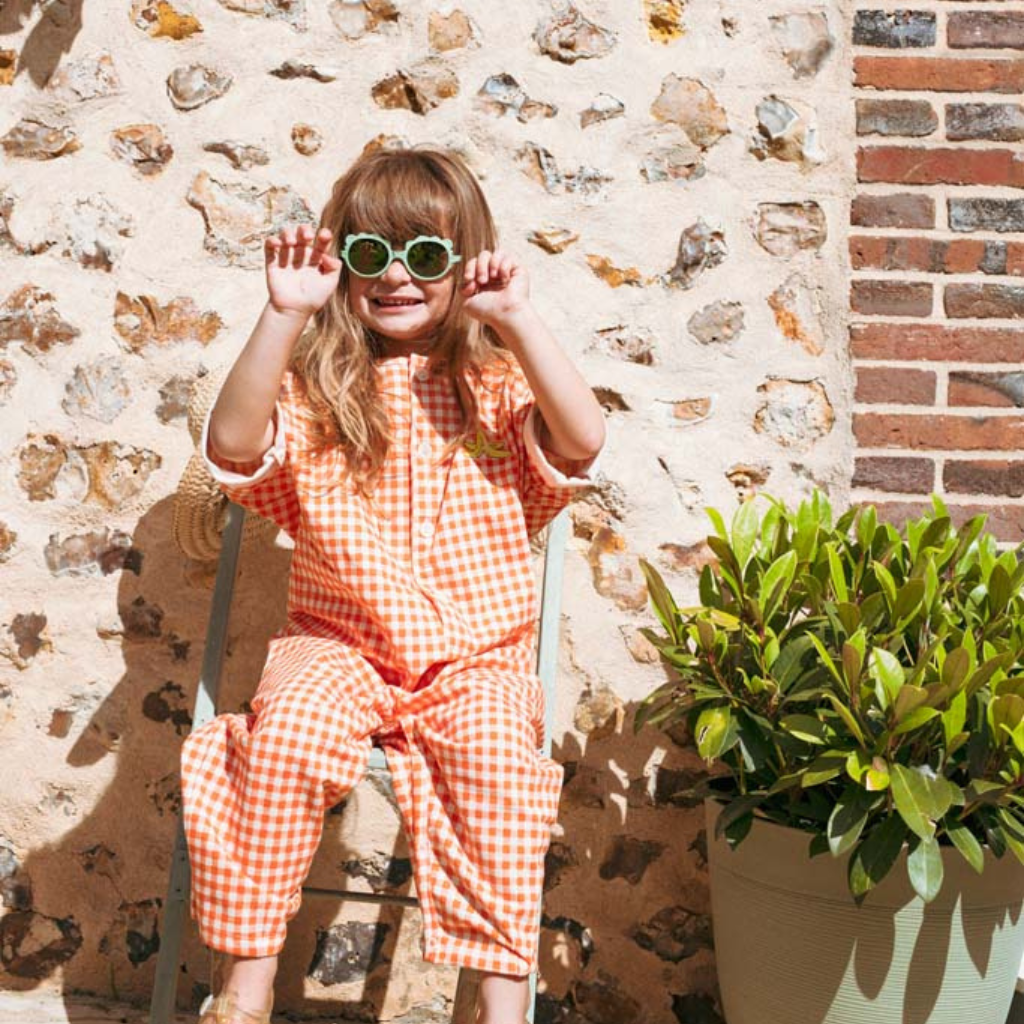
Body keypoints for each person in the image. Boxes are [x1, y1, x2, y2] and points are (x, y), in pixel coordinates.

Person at [179, 147, 606, 1024]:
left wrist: (519, 320)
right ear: (344, 268)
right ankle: (245, 989)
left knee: (495, 766)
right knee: (284, 737)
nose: (399, 277)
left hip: (471, 659)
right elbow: (230, 444)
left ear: (465, 265)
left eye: (427, 256)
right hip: (338, 646)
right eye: (373, 256)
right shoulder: (315, 388)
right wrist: (282, 314)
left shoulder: (496, 384)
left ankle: (497, 1004)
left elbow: (584, 441)